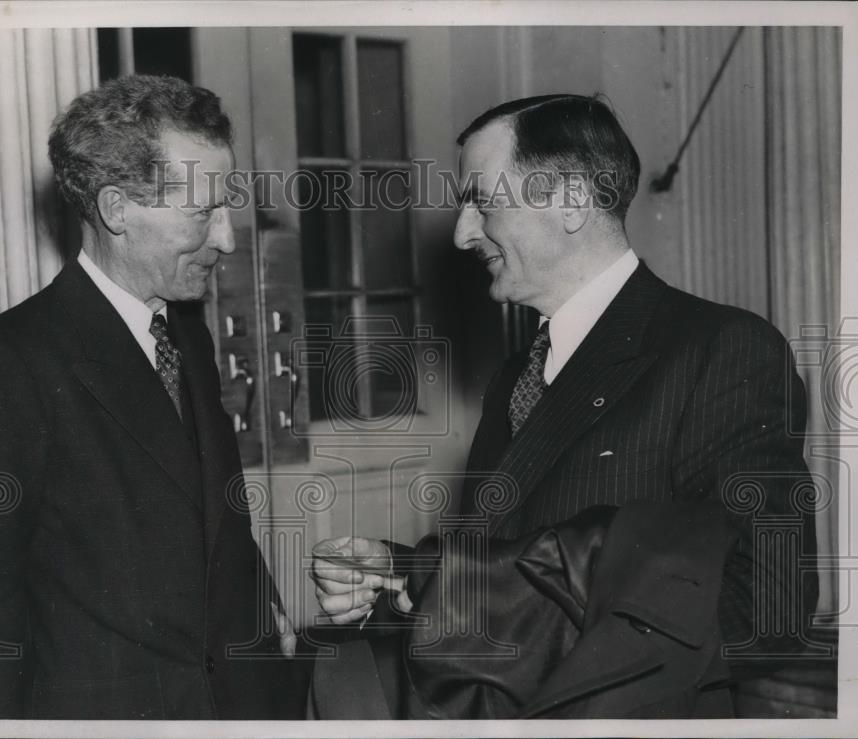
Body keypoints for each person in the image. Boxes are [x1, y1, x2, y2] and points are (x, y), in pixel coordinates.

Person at [311, 94, 818, 718]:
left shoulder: (723, 348)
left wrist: (457, 587)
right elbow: (520, 553)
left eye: (481, 200)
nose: (463, 231)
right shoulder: (517, 375)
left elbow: (768, 605)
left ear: (573, 200)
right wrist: (407, 573)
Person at [0, 75, 304, 720]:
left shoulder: (188, 339)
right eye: (203, 212)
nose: (228, 239)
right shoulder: (3, 365)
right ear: (117, 209)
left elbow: (214, 524)